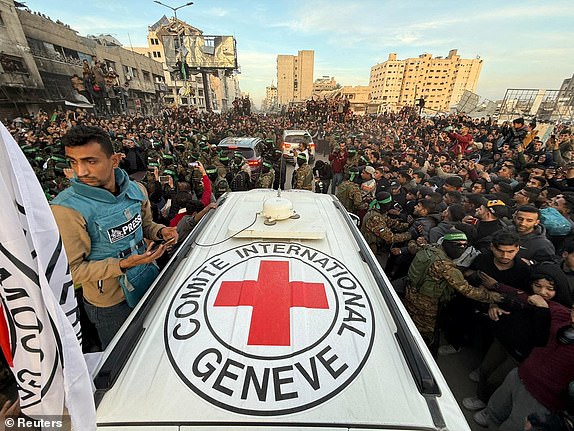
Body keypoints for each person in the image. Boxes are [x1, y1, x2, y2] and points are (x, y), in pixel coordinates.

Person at [51, 125, 178, 349]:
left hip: (148, 279)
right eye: (73, 162)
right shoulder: (67, 209)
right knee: (125, 361)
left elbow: (145, 225)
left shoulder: (136, 189)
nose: (80, 172)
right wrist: (121, 264)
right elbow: (74, 271)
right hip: (111, 304)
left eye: (91, 161)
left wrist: (161, 232)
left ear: (115, 160)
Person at [404, 230, 504, 349]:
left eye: (464, 245)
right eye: (458, 244)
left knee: (408, 320)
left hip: (411, 292)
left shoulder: (430, 249)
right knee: (423, 333)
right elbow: (467, 290)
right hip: (427, 303)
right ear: (447, 243)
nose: (461, 248)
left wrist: (411, 240)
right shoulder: (446, 266)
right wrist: (494, 297)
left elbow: (413, 247)